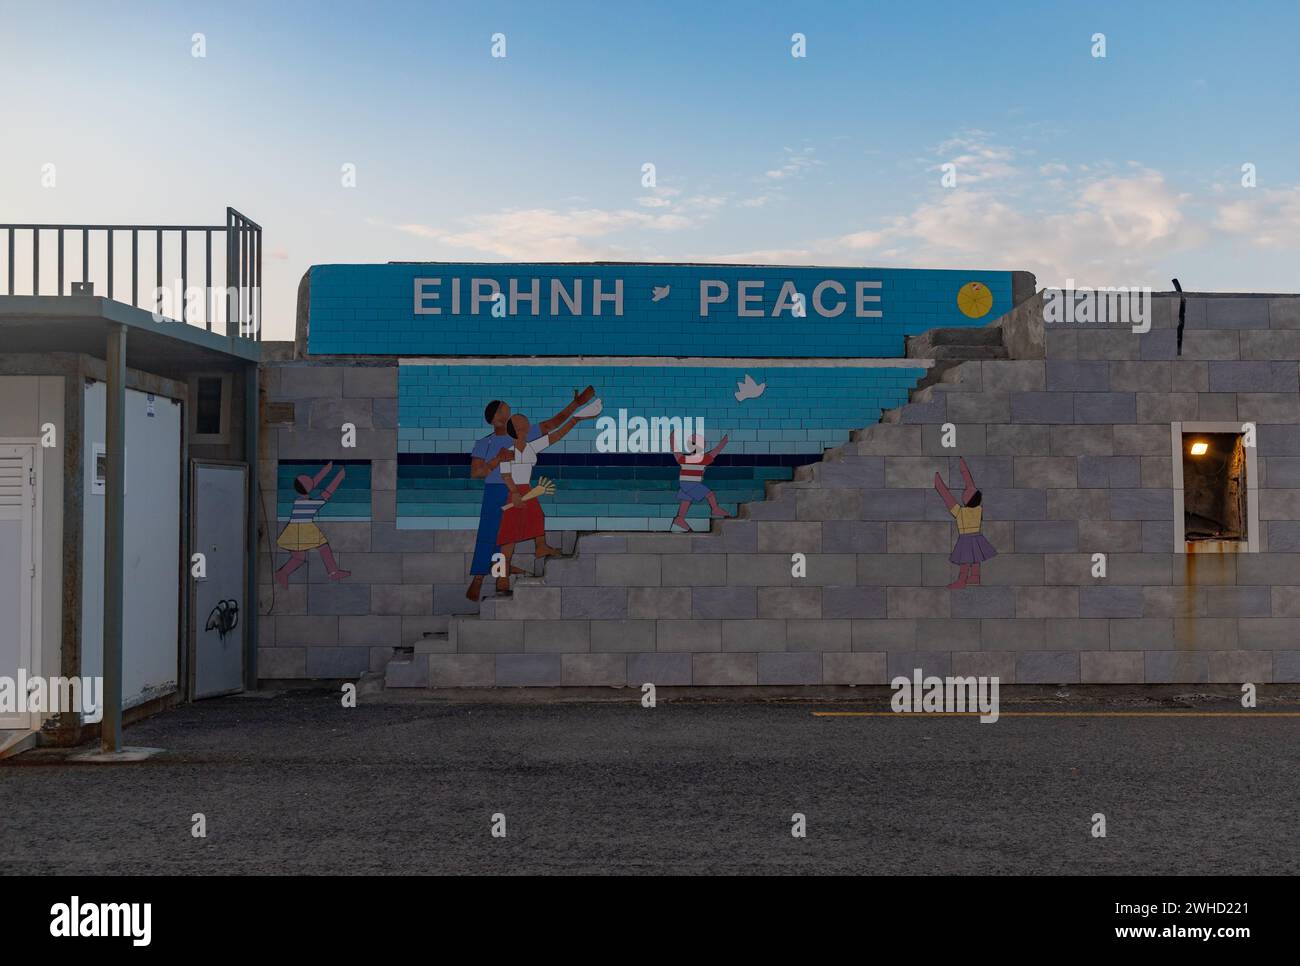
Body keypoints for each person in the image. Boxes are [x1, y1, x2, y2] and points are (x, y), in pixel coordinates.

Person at [465, 386, 595, 601]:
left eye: (508, 411)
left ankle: (501, 575)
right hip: (495, 491)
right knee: (490, 536)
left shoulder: (522, 435)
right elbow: (477, 472)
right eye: (502, 411)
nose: (506, 414)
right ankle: (479, 580)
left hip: (515, 489)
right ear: (494, 418)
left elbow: (552, 426)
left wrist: (576, 405)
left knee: (506, 536)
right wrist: (497, 459)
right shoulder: (484, 443)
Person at [495, 411, 583, 579]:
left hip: (527, 489)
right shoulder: (508, 452)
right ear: (520, 429)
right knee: (509, 532)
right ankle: (502, 578)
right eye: (524, 423)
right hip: (516, 491)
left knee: (537, 516)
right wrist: (514, 493)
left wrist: (575, 420)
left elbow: (555, 436)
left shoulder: (531, 447)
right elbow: (505, 475)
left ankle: (540, 547)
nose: (528, 425)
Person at [274, 461, 350, 588]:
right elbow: (327, 492)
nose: (313, 481)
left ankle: (283, 573)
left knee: (299, 557)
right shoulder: (310, 504)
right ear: (308, 487)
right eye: (310, 481)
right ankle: (333, 572)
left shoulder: (299, 500)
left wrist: (328, 468)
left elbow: (314, 481)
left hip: (295, 528)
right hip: (302, 530)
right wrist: (339, 477)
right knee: (323, 547)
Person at [934, 457, 997, 589]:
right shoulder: (979, 509)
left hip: (966, 539)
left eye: (965, 493)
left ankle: (961, 581)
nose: (965, 490)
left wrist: (939, 484)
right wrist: (963, 467)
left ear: (967, 499)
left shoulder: (960, 512)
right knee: (976, 557)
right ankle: (975, 577)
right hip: (977, 537)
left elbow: (947, 497)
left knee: (965, 560)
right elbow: (970, 484)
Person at [668, 430, 731, 532]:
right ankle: (715, 509)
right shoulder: (703, 459)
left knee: (686, 501)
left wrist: (672, 438)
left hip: (684, 484)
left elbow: (675, 450)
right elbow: (715, 452)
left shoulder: (684, 459)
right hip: (692, 484)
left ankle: (680, 519)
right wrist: (723, 442)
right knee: (710, 494)